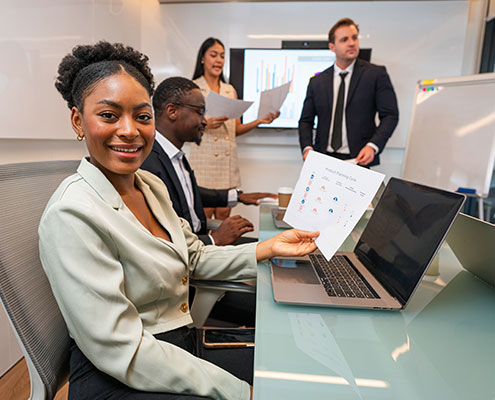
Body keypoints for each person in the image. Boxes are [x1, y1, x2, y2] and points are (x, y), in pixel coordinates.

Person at [39, 41, 318, 400]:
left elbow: (195, 257)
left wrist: (268, 248)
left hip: (176, 346)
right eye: (109, 115)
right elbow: (122, 349)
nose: (130, 130)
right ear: (78, 121)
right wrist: (239, 391)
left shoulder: (150, 185)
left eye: (142, 116)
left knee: (291, 370)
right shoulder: (72, 214)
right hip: (120, 375)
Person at [141, 76, 276, 246]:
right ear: (172, 111)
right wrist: (215, 239)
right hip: (190, 255)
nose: (204, 121)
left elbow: (186, 194)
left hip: (200, 243)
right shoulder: (148, 164)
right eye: (199, 112)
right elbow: (160, 241)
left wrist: (238, 196)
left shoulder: (173, 154)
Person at [189, 37, 280, 220]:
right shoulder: (193, 88)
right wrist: (204, 124)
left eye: (222, 56)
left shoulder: (230, 89)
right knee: (203, 216)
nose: (219, 60)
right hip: (204, 161)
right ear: (202, 59)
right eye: (213, 55)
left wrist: (259, 121)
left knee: (224, 217)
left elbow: (235, 129)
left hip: (227, 163)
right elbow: (184, 126)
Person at [298, 18, 399, 167]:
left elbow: (390, 115)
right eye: (344, 39)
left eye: (354, 38)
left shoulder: (376, 74)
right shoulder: (317, 81)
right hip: (322, 159)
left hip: (358, 159)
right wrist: (307, 148)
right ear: (332, 47)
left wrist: (373, 146)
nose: (351, 43)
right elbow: (306, 121)